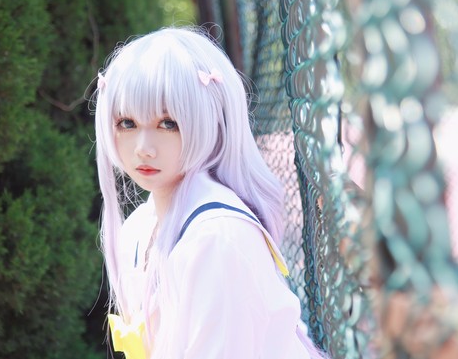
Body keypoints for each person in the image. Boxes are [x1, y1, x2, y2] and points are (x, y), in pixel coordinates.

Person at [93, 27, 328, 359]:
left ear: (208, 120)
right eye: (127, 123)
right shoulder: (141, 226)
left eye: (168, 123)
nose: (143, 148)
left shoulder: (217, 238)